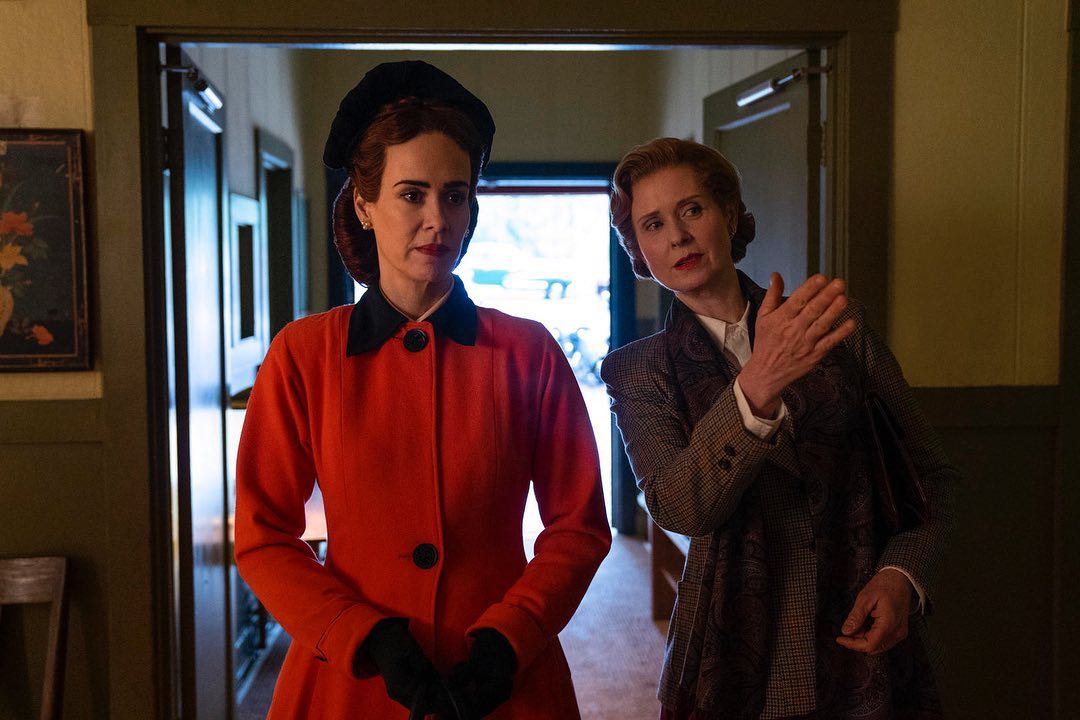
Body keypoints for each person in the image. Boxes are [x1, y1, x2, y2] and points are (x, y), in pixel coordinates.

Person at [234, 60, 611, 720]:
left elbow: (578, 527)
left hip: (503, 679)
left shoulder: (529, 352)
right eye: (412, 194)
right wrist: (364, 636)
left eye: (455, 195)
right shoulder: (303, 354)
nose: (439, 219)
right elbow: (264, 536)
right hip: (352, 680)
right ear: (363, 204)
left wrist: (512, 634)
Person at [601, 138, 957, 719]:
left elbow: (932, 476)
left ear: (729, 214)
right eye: (653, 224)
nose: (678, 237)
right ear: (639, 249)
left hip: (862, 632)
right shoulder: (637, 370)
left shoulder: (834, 325)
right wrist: (756, 386)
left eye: (692, 209)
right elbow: (680, 509)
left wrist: (903, 575)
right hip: (733, 653)